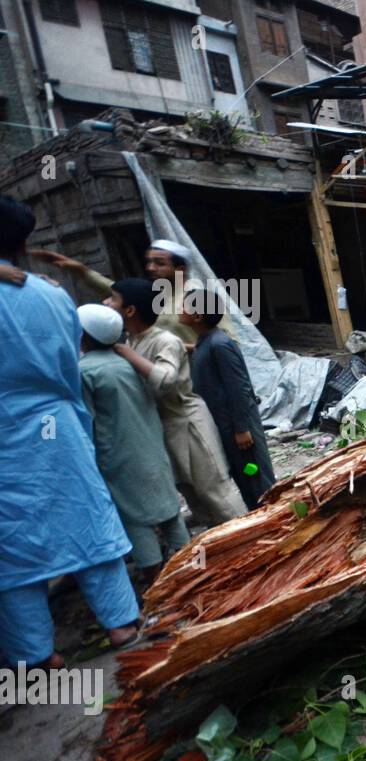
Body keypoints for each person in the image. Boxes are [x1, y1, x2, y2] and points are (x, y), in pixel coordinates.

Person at [0, 198, 141, 669]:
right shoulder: (53, 295)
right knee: (86, 519)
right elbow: (69, 364)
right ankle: (122, 623)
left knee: (12, 547)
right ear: (22, 244)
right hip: (58, 424)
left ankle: (37, 655)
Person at [106, 277, 247, 526]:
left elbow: (165, 380)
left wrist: (125, 353)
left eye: (112, 298)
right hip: (163, 426)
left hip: (188, 423)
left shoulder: (164, 341)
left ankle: (251, 540)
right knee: (190, 492)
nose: (106, 302)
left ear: (129, 310)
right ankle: (219, 544)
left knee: (214, 489)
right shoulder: (133, 340)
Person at [77, 303, 189, 583]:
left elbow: (86, 422)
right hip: (152, 448)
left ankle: (157, 584)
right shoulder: (131, 361)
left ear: (85, 336)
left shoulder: (84, 372)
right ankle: (193, 569)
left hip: (117, 456)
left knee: (136, 520)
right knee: (169, 512)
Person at [181, 302, 277, 510]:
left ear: (197, 316)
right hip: (224, 424)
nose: (179, 310)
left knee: (256, 478)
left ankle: (275, 519)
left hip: (237, 426)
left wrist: (242, 428)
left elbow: (239, 388)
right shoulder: (206, 342)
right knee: (242, 477)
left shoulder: (220, 344)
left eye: (184, 307)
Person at [33, 238, 205, 344]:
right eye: (149, 262)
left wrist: (176, 347)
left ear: (180, 269)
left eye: (159, 263)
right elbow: (120, 292)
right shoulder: (156, 291)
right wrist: (81, 270)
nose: (150, 268)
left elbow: (228, 343)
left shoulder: (198, 297)